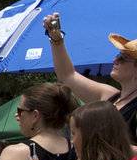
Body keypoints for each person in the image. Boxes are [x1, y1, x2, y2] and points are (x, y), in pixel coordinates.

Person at [44, 12, 137, 143]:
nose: (115, 59)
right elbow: (67, 75)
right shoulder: (110, 95)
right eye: (118, 55)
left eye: (123, 58)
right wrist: (56, 40)